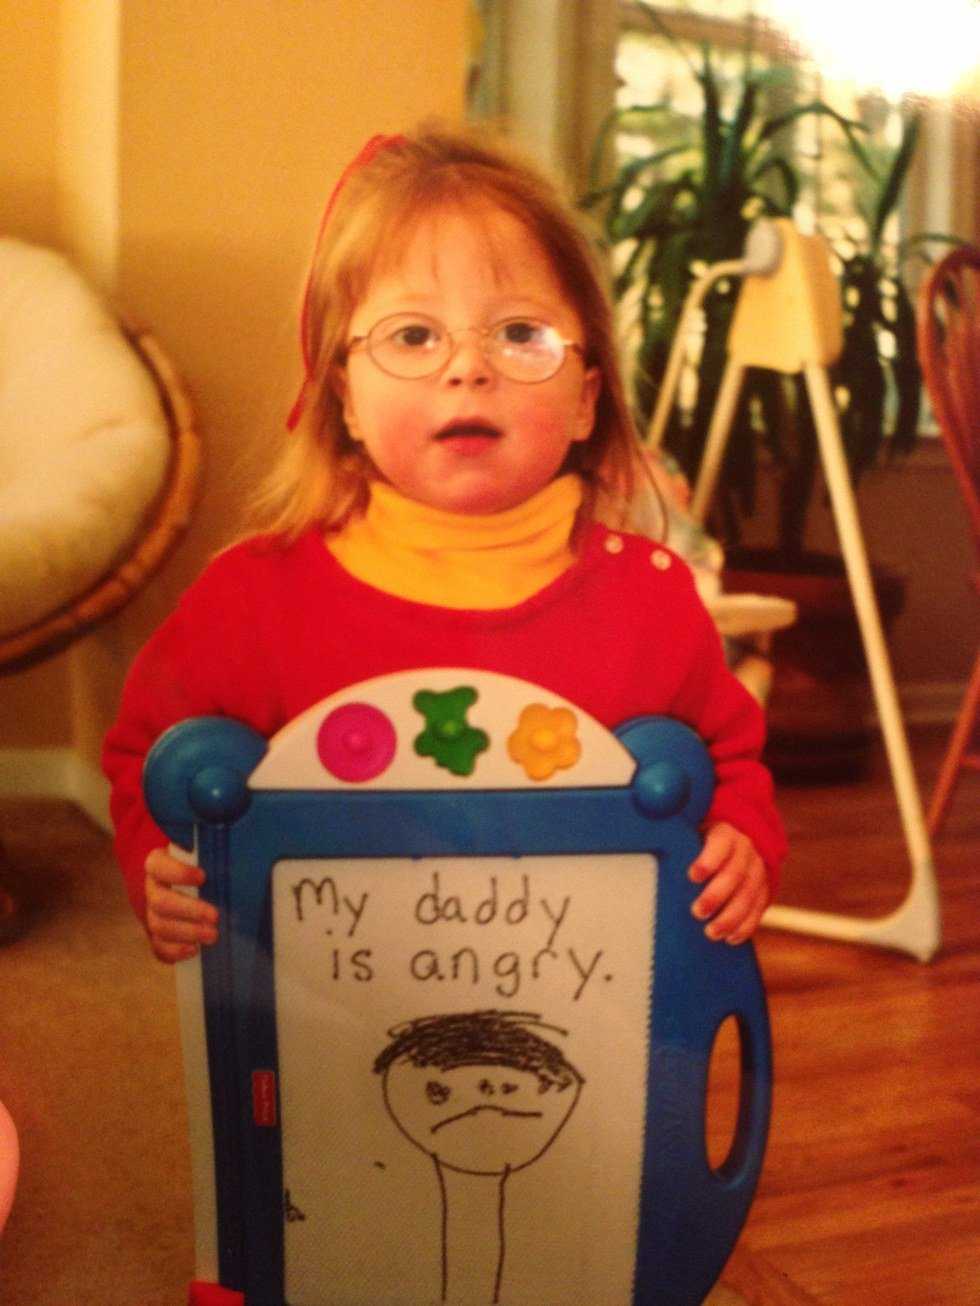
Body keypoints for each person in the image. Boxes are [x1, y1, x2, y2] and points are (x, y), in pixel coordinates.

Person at [102, 125, 786, 966]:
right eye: (415, 336)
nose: (468, 368)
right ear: (345, 398)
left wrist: (742, 837)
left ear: (586, 399)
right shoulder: (253, 599)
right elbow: (151, 759)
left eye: (521, 334)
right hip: (331, 1011)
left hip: (584, 1011)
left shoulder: (651, 600)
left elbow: (727, 758)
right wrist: (158, 864)